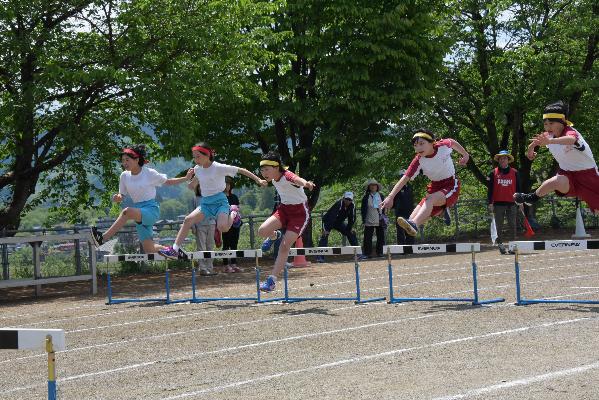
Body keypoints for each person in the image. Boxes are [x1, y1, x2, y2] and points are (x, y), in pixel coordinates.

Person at [159, 142, 267, 259]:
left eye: (198, 157)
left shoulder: (219, 167)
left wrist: (258, 180)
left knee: (223, 228)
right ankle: (175, 249)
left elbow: (241, 170)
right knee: (187, 220)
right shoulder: (198, 169)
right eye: (194, 157)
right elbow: (191, 187)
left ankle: (234, 213)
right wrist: (187, 178)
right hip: (205, 203)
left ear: (207, 155)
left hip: (220, 201)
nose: (195, 160)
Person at [90, 145, 193, 253]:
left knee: (126, 212)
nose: (124, 163)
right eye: (122, 160)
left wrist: (186, 178)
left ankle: (102, 238)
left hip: (150, 210)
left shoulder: (149, 173)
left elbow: (167, 182)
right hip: (138, 213)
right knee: (150, 249)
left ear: (137, 160)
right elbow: (122, 195)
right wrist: (117, 198)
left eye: (127, 160)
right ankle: (171, 251)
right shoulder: (124, 176)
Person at [514, 101, 599, 215]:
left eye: (551, 123)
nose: (548, 127)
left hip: (588, 176)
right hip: (568, 174)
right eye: (545, 124)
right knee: (556, 181)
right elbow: (535, 142)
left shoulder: (570, 132)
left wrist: (550, 141)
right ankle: (531, 198)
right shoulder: (548, 135)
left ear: (562, 122)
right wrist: (530, 149)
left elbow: (571, 140)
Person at [381, 129, 470, 236]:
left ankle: (417, 223)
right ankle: (417, 222)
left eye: (422, 144)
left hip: (451, 184)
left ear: (432, 143)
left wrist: (465, 155)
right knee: (411, 218)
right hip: (435, 187)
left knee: (429, 201)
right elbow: (404, 179)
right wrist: (390, 197)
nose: (418, 148)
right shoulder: (418, 161)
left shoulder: (443, 146)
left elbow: (453, 142)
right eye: (415, 145)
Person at [257, 151, 315, 292]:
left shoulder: (286, 175)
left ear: (276, 167)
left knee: (284, 246)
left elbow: (297, 179)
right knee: (262, 231)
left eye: (266, 169)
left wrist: (306, 183)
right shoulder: (274, 179)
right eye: (262, 169)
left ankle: (272, 281)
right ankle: (274, 235)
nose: (264, 173)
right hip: (284, 210)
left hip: (299, 214)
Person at [487, 150, 522, 254]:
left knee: (512, 225)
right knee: (499, 226)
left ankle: (512, 247)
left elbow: (519, 189)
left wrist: (520, 203)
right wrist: (490, 203)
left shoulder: (515, 173)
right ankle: (501, 245)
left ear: (508, 160)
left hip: (512, 203)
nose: (503, 160)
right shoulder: (493, 173)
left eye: (505, 158)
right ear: (498, 160)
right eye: (501, 158)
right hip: (498, 204)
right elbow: (490, 190)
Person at [316, 191, 359, 263]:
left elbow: (352, 218)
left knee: (351, 233)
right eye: (347, 199)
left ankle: (358, 253)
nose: (348, 201)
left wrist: (349, 228)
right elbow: (332, 217)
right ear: (343, 198)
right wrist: (326, 230)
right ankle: (320, 257)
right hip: (328, 221)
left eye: (350, 200)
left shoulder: (352, 205)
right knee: (325, 235)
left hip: (339, 222)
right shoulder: (339, 204)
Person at [189, 179, 217, 275]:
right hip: (199, 225)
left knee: (210, 246)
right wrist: (192, 226)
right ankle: (202, 268)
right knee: (201, 247)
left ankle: (210, 267)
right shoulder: (194, 199)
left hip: (211, 224)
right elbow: (190, 213)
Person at [361, 179, 386, 258]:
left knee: (381, 237)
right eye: (371, 185)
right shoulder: (366, 197)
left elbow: (384, 207)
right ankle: (367, 253)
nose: (373, 186)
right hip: (369, 218)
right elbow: (363, 209)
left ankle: (380, 252)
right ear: (369, 187)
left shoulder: (381, 195)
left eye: (374, 185)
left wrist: (384, 216)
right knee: (367, 237)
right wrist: (363, 219)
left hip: (379, 219)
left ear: (377, 186)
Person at [222, 177, 242, 273]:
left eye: (229, 184)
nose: (227, 186)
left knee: (234, 244)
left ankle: (234, 264)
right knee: (226, 244)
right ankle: (226, 265)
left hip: (235, 223)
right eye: (225, 184)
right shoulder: (220, 197)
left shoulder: (234, 197)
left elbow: (238, 208)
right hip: (225, 223)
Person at [392, 170, 415, 245]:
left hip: (410, 212)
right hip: (400, 212)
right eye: (402, 176)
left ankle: (410, 247)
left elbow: (412, 199)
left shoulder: (410, 187)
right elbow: (393, 199)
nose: (403, 177)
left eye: (404, 176)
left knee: (410, 228)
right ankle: (401, 248)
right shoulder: (396, 187)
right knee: (400, 230)